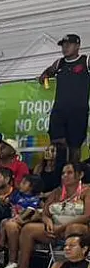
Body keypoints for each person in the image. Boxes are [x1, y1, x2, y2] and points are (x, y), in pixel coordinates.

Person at [3, 163, 90, 268]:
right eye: (63, 173)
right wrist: (48, 222)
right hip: (54, 228)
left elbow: (87, 215)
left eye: (69, 173)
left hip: (78, 228)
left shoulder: (87, 191)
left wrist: (61, 227)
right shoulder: (56, 192)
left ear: (80, 175)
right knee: (28, 229)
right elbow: (45, 213)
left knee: (72, 228)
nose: (65, 176)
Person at [40, 34, 90, 168]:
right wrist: (44, 75)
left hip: (78, 111)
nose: (65, 47)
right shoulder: (59, 63)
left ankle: (74, 174)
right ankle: (58, 175)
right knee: (57, 145)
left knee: (75, 146)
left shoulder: (85, 60)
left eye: (69, 44)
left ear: (78, 46)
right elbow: (48, 72)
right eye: (63, 45)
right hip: (59, 110)